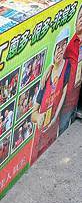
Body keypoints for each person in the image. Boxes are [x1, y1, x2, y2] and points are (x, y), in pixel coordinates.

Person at [30, 27, 71, 163]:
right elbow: (33, 114)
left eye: (63, 45)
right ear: (54, 50)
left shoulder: (67, 68)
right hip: (41, 133)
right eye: (58, 46)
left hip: (53, 128)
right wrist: (39, 117)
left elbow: (64, 94)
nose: (60, 50)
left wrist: (54, 120)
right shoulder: (45, 78)